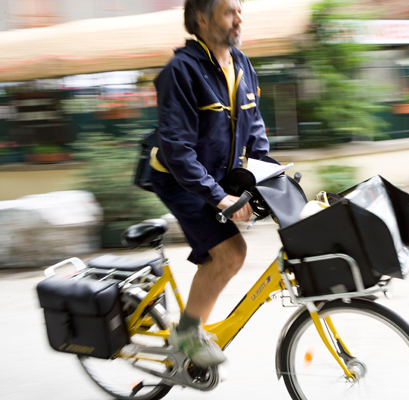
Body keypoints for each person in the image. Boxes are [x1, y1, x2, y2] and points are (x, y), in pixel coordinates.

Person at [149, 0, 269, 367]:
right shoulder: (181, 71)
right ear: (202, 18)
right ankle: (187, 334)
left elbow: (255, 127)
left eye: (240, 9)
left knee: (233, 251)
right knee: (230, 253)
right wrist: (219, 199)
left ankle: (194, 326)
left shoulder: (242, 63)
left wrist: (267, 175)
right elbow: (178, 151)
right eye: (229, 11)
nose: (239, 18)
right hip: (178, 178)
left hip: (216, 174)